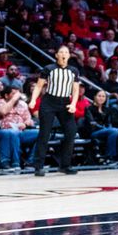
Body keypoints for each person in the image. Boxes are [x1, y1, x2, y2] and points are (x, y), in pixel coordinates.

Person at [28, 46, 81, 176]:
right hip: (49, 102)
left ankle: (65, 165)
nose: (64, 54)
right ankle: (38, 166)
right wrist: (33, 100)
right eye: (61, 52)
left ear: (69, 55)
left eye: (66, 52)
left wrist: (73, 103)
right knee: (44, 133)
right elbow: (39, 86)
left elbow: (75, 90)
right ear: (56, 55)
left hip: (65, 103)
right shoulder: (49, 69)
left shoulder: (74, 70)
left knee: (71, 132)